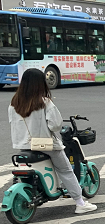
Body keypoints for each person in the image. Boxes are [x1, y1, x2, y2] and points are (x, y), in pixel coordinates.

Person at [8, 69, 97, 214]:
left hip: (23, 146)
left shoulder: (13, 103)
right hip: (46, 145)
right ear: (40, 83)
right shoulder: (44, 102)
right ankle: (80, 203)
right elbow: (55, 125)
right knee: (65, 170)